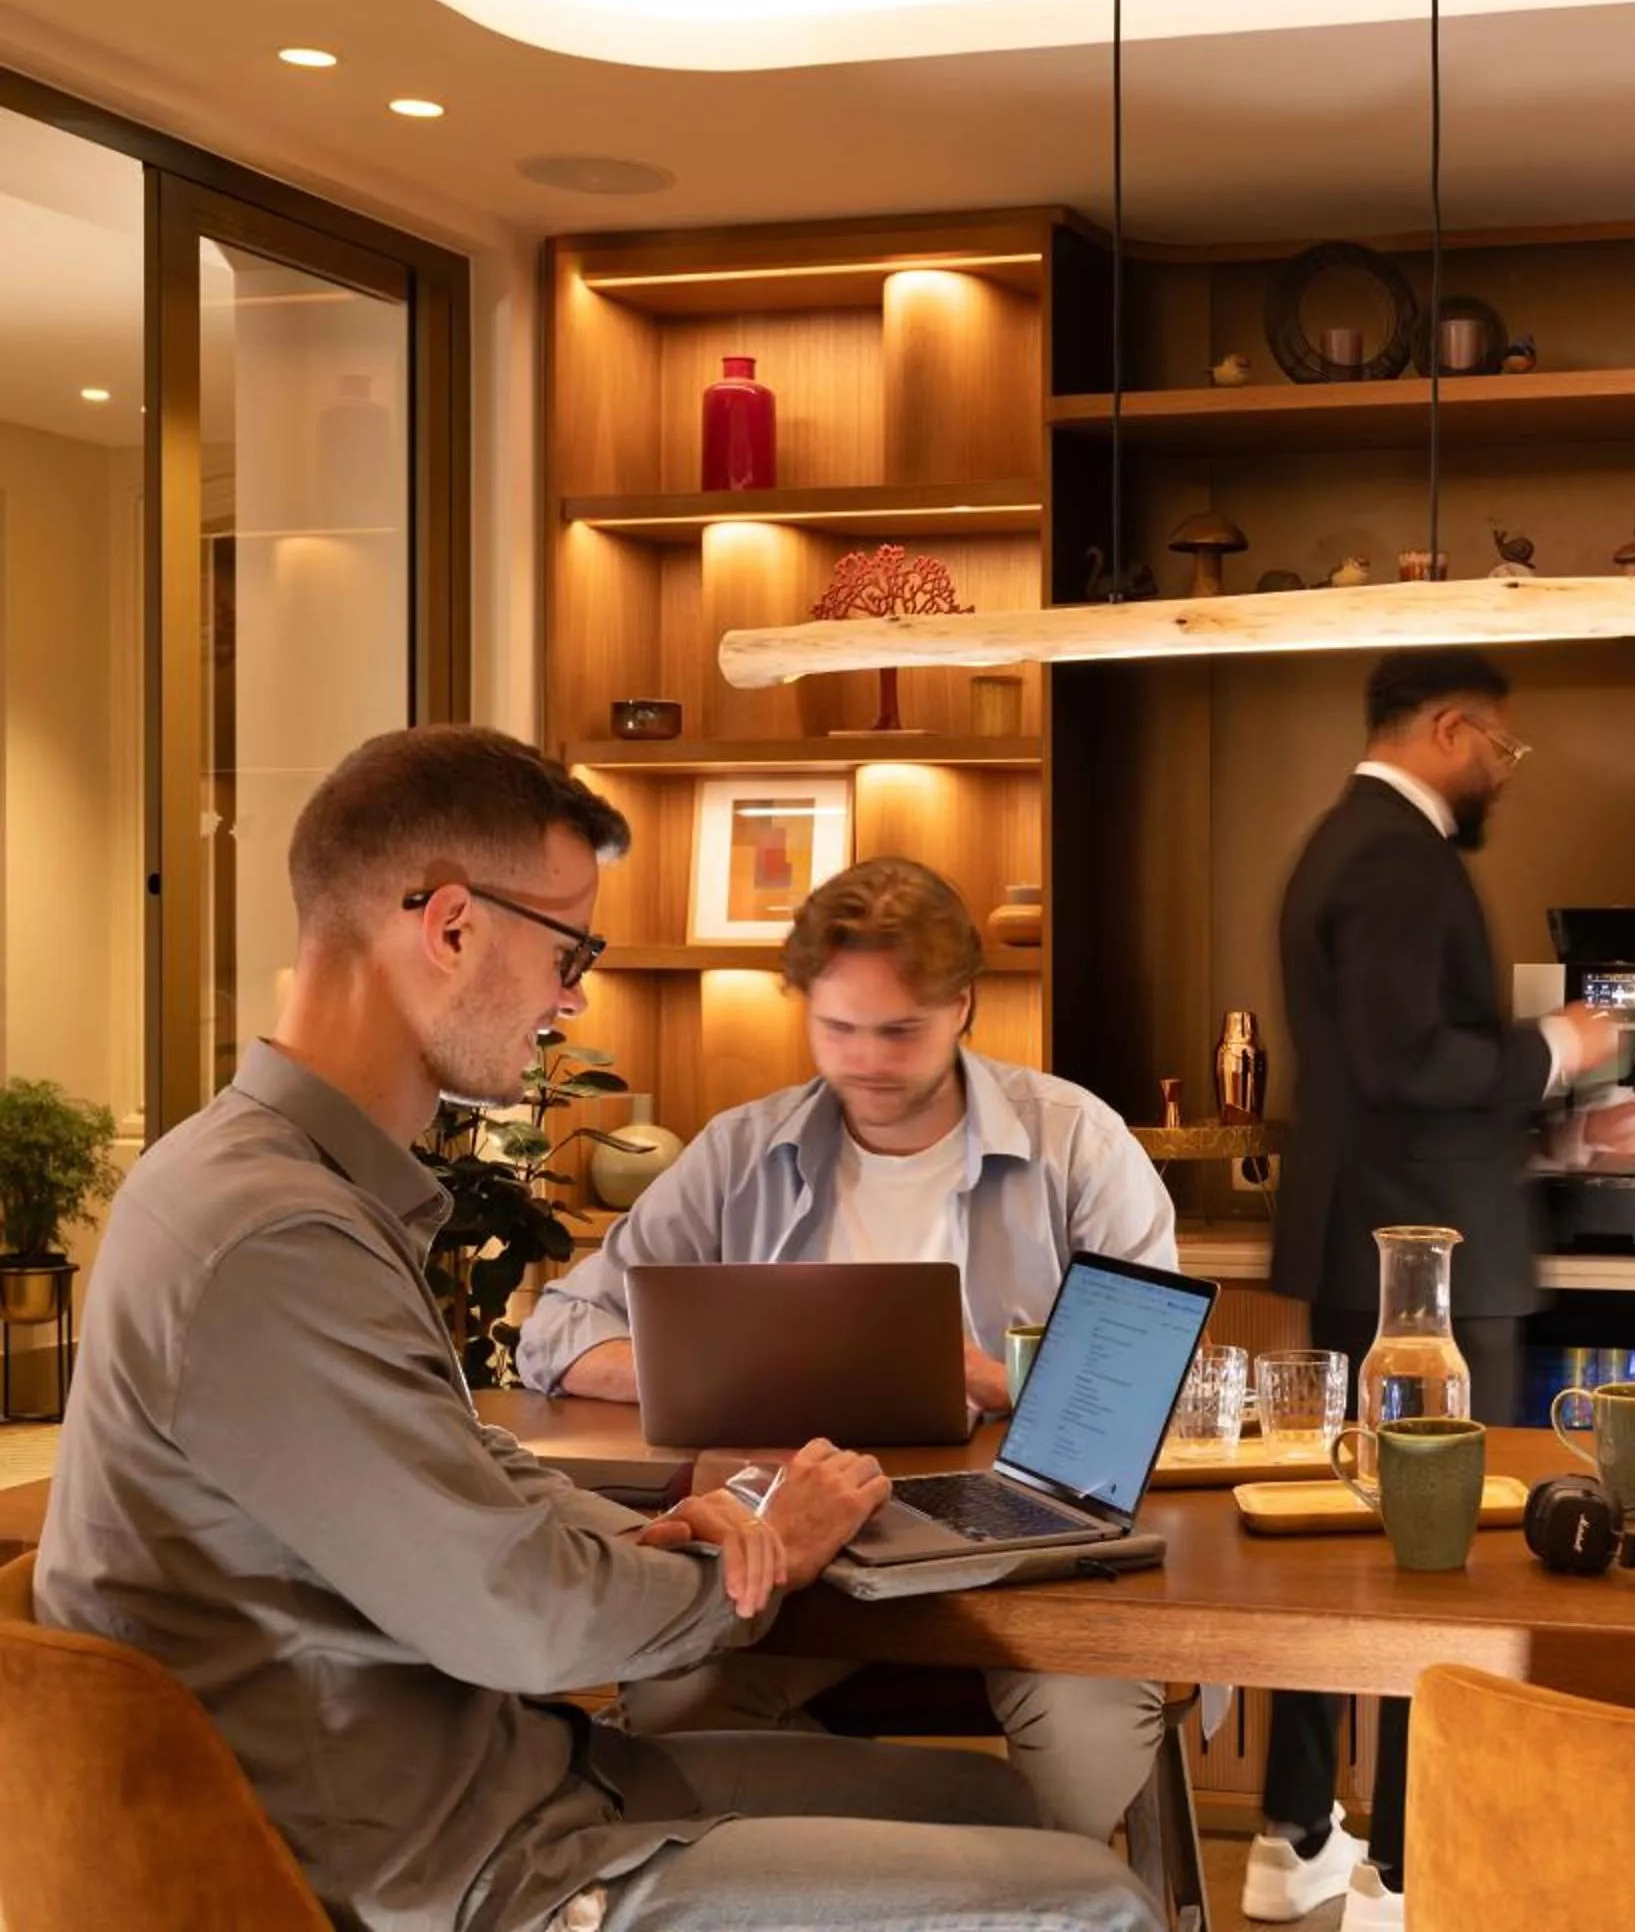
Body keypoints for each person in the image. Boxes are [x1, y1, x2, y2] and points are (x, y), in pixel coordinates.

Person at [34, 725, 1157, 1932]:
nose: (575, 994)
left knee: (1004, 1821)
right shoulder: (271, 1235)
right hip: (453, 1870)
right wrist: (755, 1554)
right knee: (1086, 1900)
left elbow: (476, 1483)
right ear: (452, 925)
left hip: (515, 1785)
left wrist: (667, 1511)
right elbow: (524, 1613)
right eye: (571, 946)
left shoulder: (292, 1190)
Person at [518, 855, 1180, 1842]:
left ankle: (1032, 1902)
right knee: (673, 1714)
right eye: (838, 1028)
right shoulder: (743, 1148)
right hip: (797, 1531)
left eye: (900, 1029)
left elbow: (1142, 1386)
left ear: (962, 1005)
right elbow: (556, 1330)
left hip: (1030, 1541)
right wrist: (737, 1372)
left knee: (1081, 1757)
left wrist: (987, 1378)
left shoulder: (1077, 1141)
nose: (867, 1059)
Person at [1250, 649, 1619, 1931]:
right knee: (1438, 1560)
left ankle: (1297, 1825)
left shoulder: (1334, 843)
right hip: (1427, 1262)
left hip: (1366, 1239)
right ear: (1451, 729)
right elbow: (1408, 1054)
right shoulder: (1399, 857)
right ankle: (1408, 1861)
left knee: (1336, 1539)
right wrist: (1554, 1049)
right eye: (1500, 749)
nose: (1501, 773)